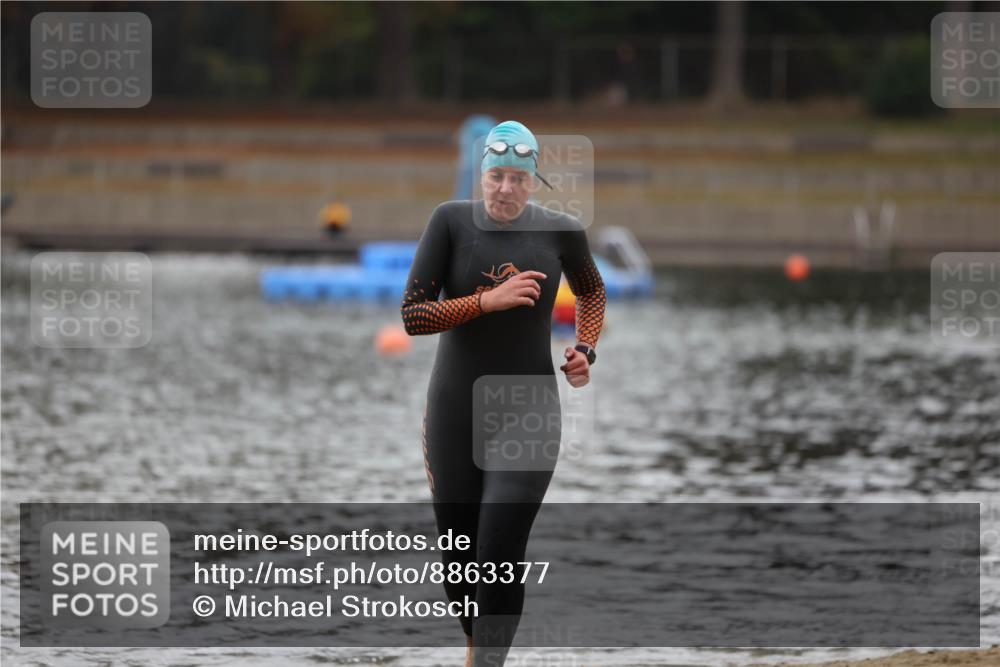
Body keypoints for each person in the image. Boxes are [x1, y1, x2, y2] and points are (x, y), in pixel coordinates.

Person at [400, 120, 606, 667]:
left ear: (533, 181)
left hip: (528, 411)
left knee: (498, 549)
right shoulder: (448, 221)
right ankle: (479, 652)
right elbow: (413, 316)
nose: (506, 189)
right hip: (454, 411)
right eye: (496, 177)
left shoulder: (562, 231)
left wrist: (585, 350)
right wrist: (484, 302)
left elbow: (592, 292)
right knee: (460, 562)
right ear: (481, 175)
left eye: (518, 178)